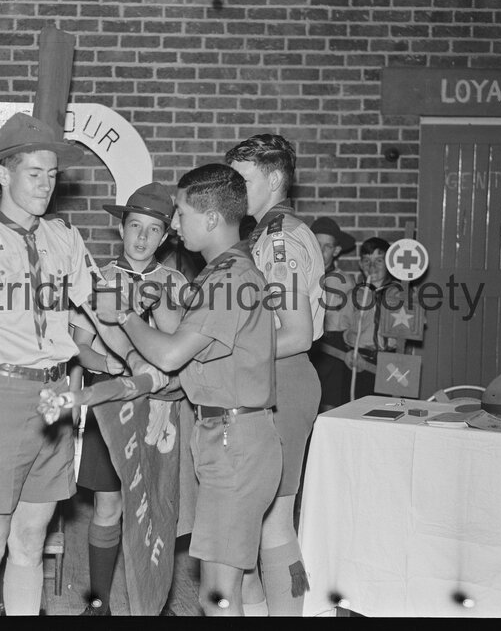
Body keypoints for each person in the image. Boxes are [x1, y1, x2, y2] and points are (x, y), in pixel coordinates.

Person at [0, 112, 162, 616]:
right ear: (1, 174)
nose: (46, 184)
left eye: (52, 174)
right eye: (34, 173)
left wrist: (132, 362)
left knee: (32, 535)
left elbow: (100, 312)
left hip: (58, 397)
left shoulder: (64, 238)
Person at [95, 163, 281, 616]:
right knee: (234, 585)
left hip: (235, 442)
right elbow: (187, 366)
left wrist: (123, 313)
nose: (173, 225)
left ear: (212, 218)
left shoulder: (227, 280)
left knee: (216, 596)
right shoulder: (223, 274)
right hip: (228, 436)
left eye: (179, 214)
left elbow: (172, 355)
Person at [69, 182, 185, 616]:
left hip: (159, 404)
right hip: (111, 403)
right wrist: (111, 362)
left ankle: (157, 598)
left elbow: (181, 346)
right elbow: (79, 344)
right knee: (109, 502)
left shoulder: (175, 282)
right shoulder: (97, 279)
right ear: (121, 228)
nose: (142, 237)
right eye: (135, 226)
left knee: (157, 502)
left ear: (166, 236)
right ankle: (99, 602)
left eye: (153, 230)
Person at [226, 134, 324, 616]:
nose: (234, 190)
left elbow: (298, 334)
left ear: (275, 180)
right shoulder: (262, 235)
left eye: (242, 180)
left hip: (282, 380)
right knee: (260, 523)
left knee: (274, 524)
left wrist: (227, 357)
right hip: (269, 380)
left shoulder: (280, 238)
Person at [308, 217, 357, 411]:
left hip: (333, 351)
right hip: (306, 348)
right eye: (316, 244)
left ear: (336, 250)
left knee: (330, 407)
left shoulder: (342, 281)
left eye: (327, 247)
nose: (320, 251)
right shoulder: (300, 275)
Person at [342, 237, 398, 399]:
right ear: (360, 264)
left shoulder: (402, 294)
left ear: (389, 263)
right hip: (358, 362)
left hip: (391, 364)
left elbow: (417, 325)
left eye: (379, 260)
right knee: (356, 414)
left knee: (388, 414)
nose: (372, 266)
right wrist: (347, 352)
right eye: (366, 260)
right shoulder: (353, 295)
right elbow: (338, 329)